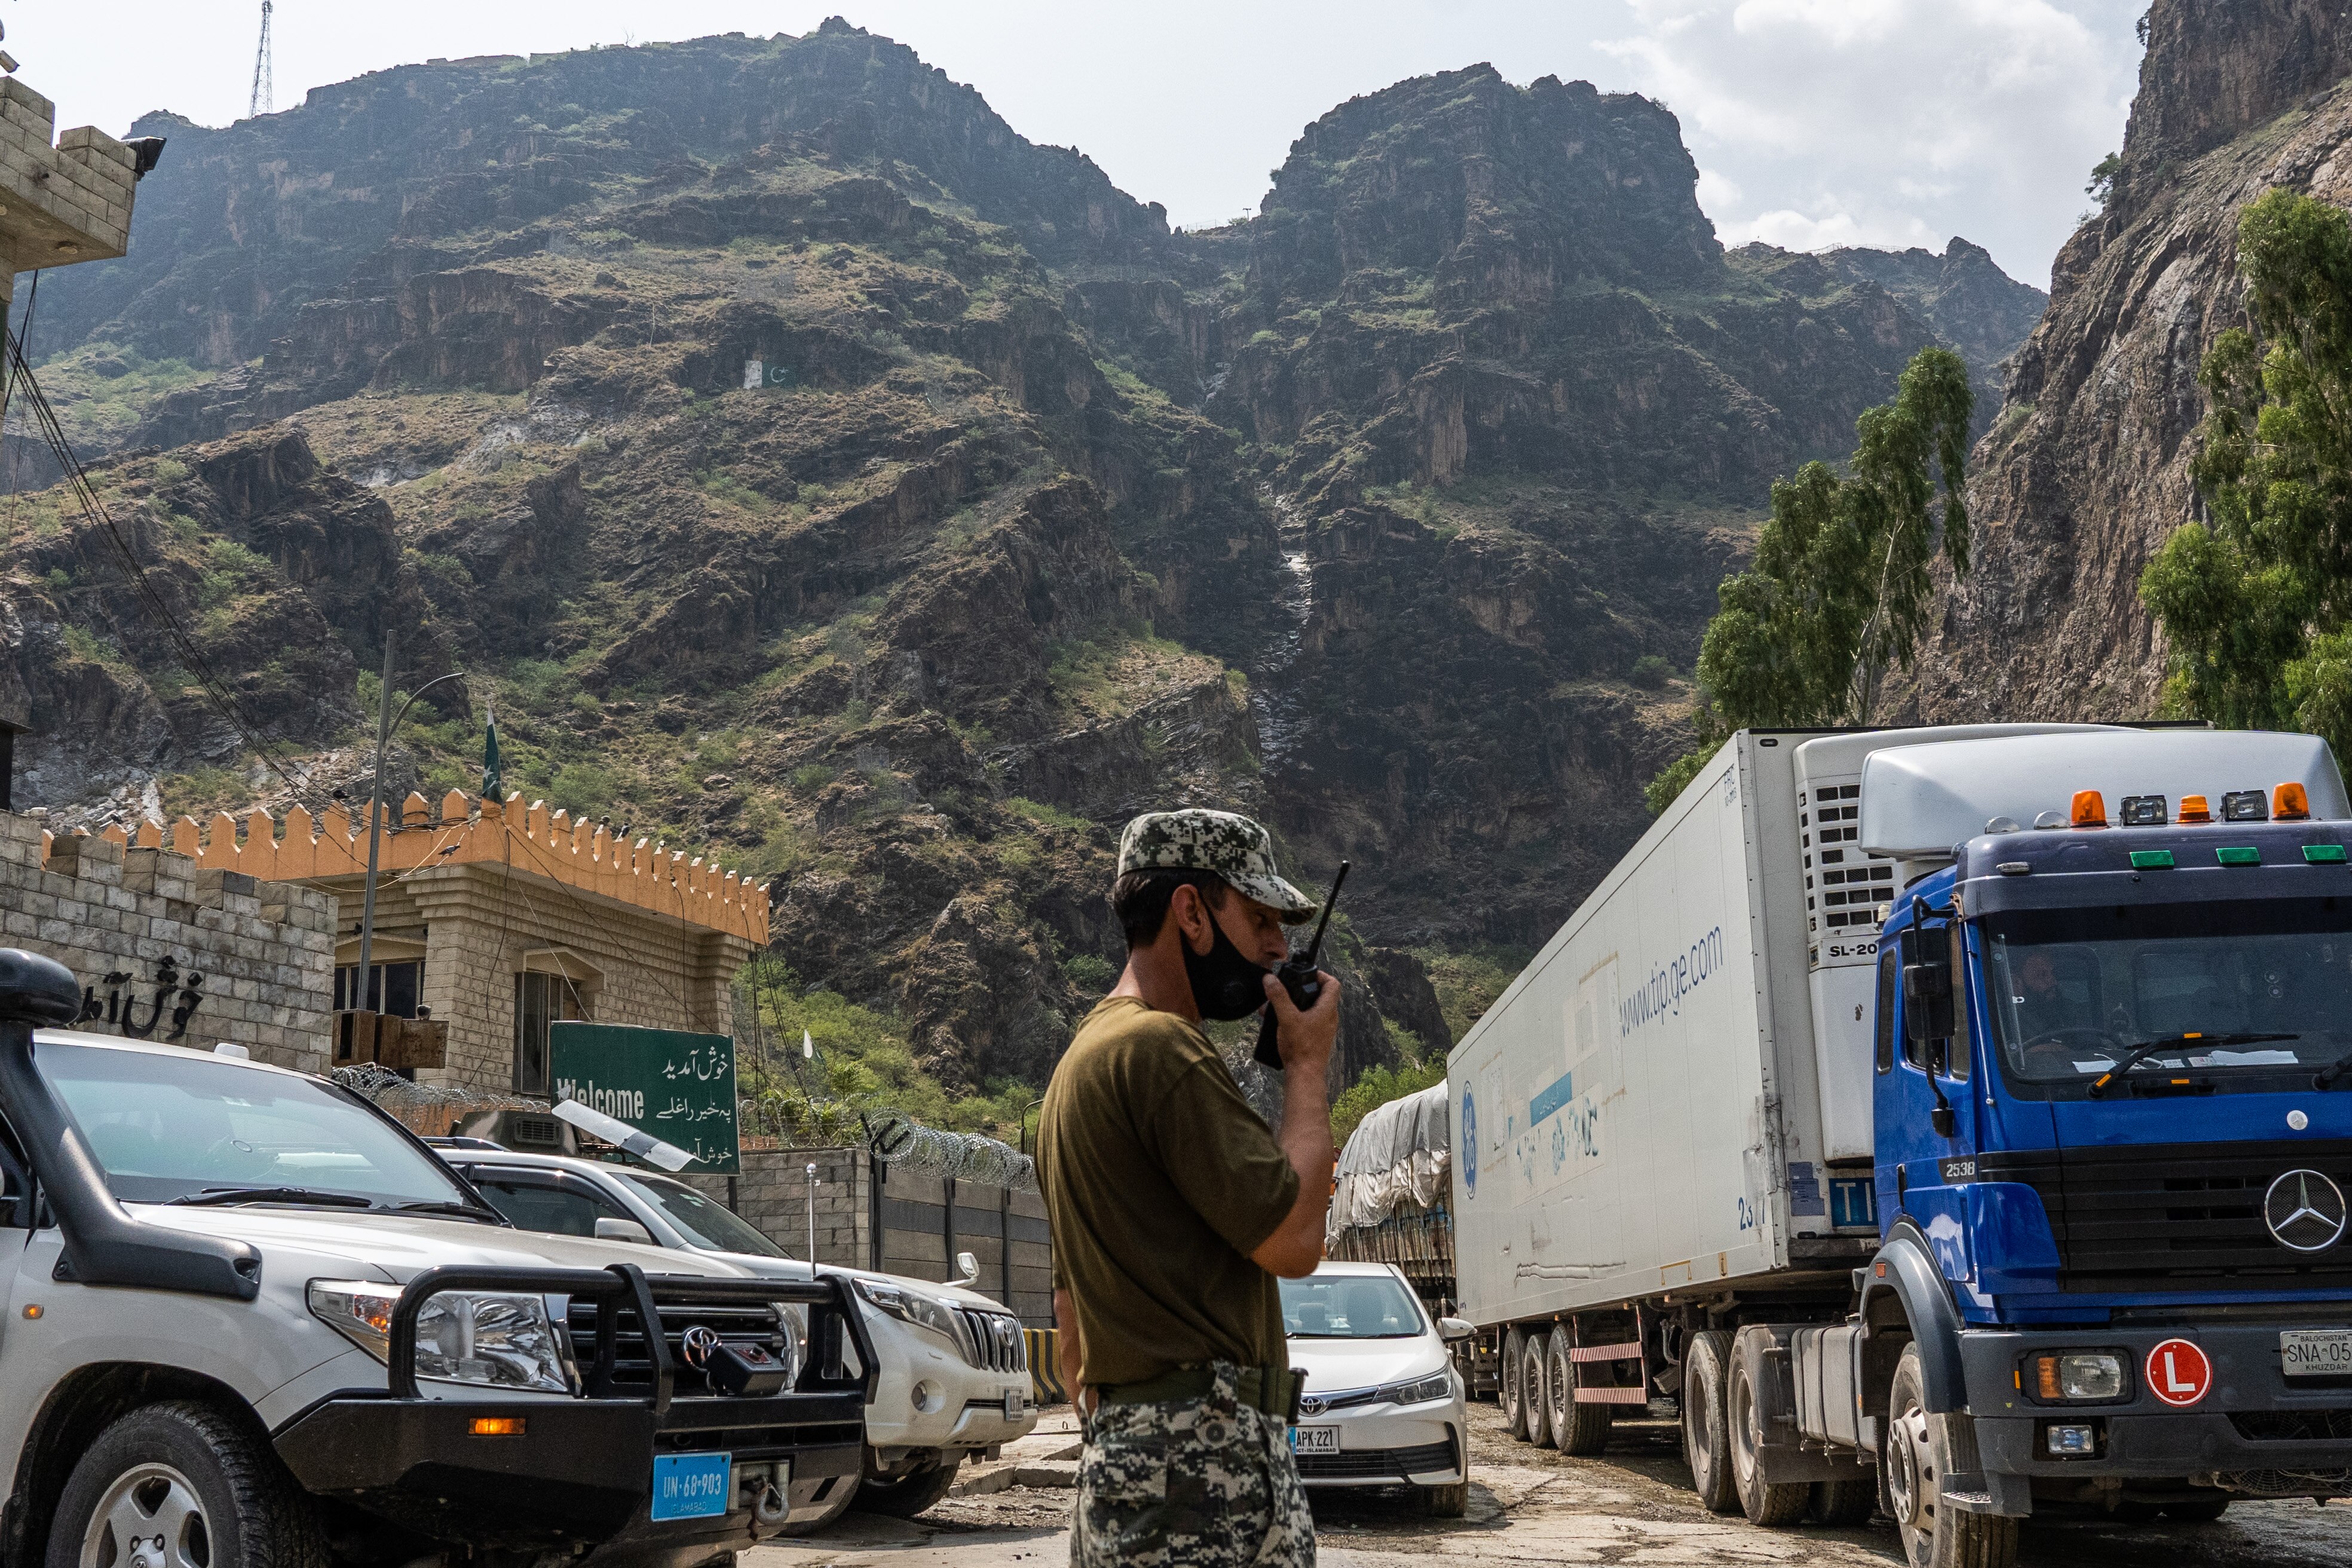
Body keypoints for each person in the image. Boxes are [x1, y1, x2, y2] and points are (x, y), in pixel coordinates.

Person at [1037, 808, 1342, 1568]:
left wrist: (1131, 1438)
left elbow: (1070, 1322)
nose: (1278, 946)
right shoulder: (1162, 1049)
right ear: (1191, 911)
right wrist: (1306, 1065)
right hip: (1202, 1465)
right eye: (1261, 918)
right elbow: (1295, 1240)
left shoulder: (1078, 1066)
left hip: (1133, 1458)